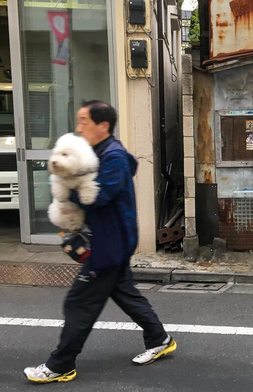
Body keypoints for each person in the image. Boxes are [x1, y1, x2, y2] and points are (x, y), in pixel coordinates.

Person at [24, 100, 177, 384]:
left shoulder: (114, 157)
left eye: (84, 121)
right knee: (124, 292)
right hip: (112, 240)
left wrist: (64, 188)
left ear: (103, 125)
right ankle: (160, 338)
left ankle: (60, 365)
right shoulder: (97, 152)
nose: (78, 126)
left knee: (78, 303)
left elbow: (97, 197)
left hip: (110, 244)